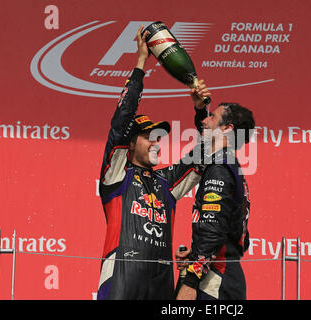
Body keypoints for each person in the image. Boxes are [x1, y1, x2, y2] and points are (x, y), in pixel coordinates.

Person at [96, 25, 210, 300]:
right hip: (121, 282)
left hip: (159, 285)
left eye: (157, 137)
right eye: (148, 137)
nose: (156, 142)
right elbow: (121, 123)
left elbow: (206, 154)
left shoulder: (166, 182)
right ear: (131, 144)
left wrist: (200, 109)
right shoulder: (116, 178)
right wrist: (140, 63)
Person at [175, 94, 255, 300]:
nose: (204, 121)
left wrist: (191, 281)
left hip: (216, 280)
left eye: (212, 118)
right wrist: (195, 255)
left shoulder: (219, 168)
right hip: (224, 275)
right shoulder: (229, 165)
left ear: (227, 129)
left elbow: (213, 230)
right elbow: (231, 233)